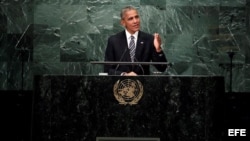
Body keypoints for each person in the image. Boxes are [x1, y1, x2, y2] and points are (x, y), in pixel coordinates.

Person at [104, 6, 167, 76]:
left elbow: (162, 68)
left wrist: (158, 49)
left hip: (143, 84)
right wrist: (124, 74)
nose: (135, 21)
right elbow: (107, 69)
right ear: (123, 22)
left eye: (137, 17)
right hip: (121, 84)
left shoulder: (149, 39)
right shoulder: (114, 41)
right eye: (130, 19)